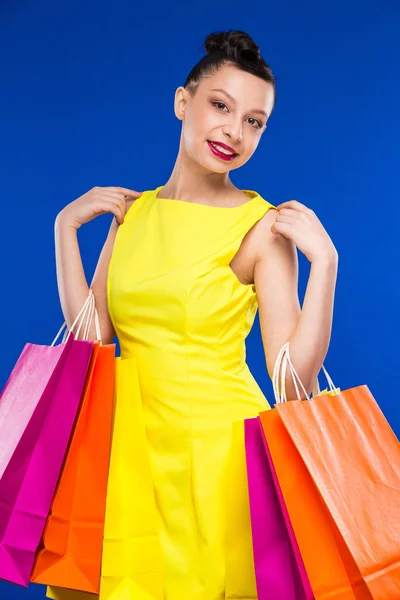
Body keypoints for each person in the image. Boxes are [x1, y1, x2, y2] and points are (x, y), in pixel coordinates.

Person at [54, 29, 338, 600]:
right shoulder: (134, 214)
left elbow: (290, 383)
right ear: (183, 101)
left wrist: (326, 265)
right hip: (130, 457)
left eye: (255, 121)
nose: (235, 132)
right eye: (220, 106)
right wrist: (63, 230)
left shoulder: (261, 226)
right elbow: (91, 337)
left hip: (220, 464)